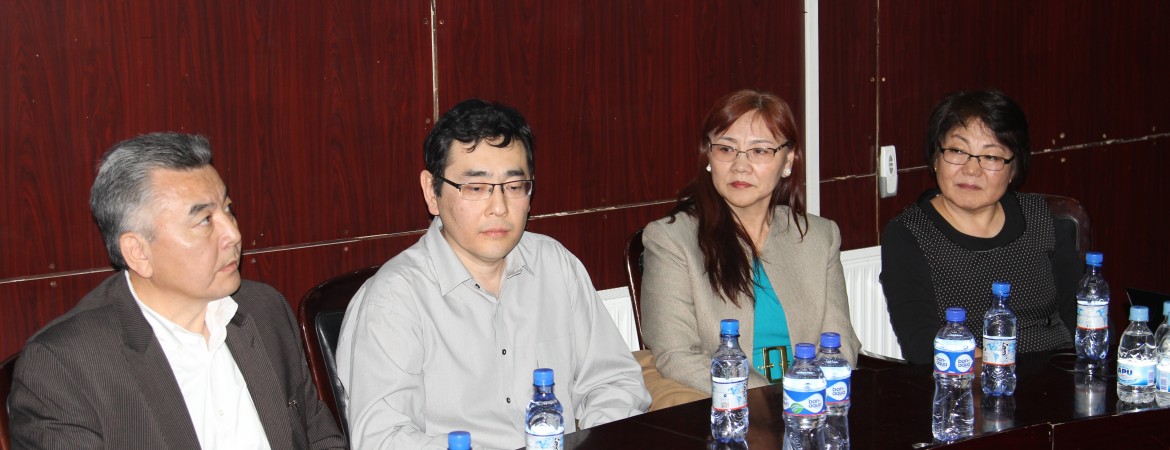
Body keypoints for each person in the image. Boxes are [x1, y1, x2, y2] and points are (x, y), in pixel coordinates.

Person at [335, 98, 650, 450]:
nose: (499, 207)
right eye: (476, 188)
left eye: (514, 187)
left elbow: (613, 382)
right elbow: (383, 439)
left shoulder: (555, 265)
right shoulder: (393, 300)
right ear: (432, 191)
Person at [8, 133, 346, 449]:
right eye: (205, 220)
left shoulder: (264, 309)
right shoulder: (65, 366)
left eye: (228, 209)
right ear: (139, 253)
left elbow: (320, 438)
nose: (233, 234)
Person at [640, 89, 861, 393]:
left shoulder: (820, 236)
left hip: (811, 403)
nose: (740, 166)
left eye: (759, 151)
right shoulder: (671, 240)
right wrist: (769, 400)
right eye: (726, 149)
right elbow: (677, 357)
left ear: (788, 160)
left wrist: (809, 397)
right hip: (727, 405)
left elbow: (839, 342)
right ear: (709, 156)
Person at [880, 90, 1080, 364]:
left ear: (1013, 168)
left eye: (991, 157)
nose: (972, 170)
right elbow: (923, 345)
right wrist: (1002, 371)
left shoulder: (1041, 218)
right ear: (936, 158)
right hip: (969, 383)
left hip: (1060, 376)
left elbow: (1086, 318)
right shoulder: (909, 234)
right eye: (958, 151)